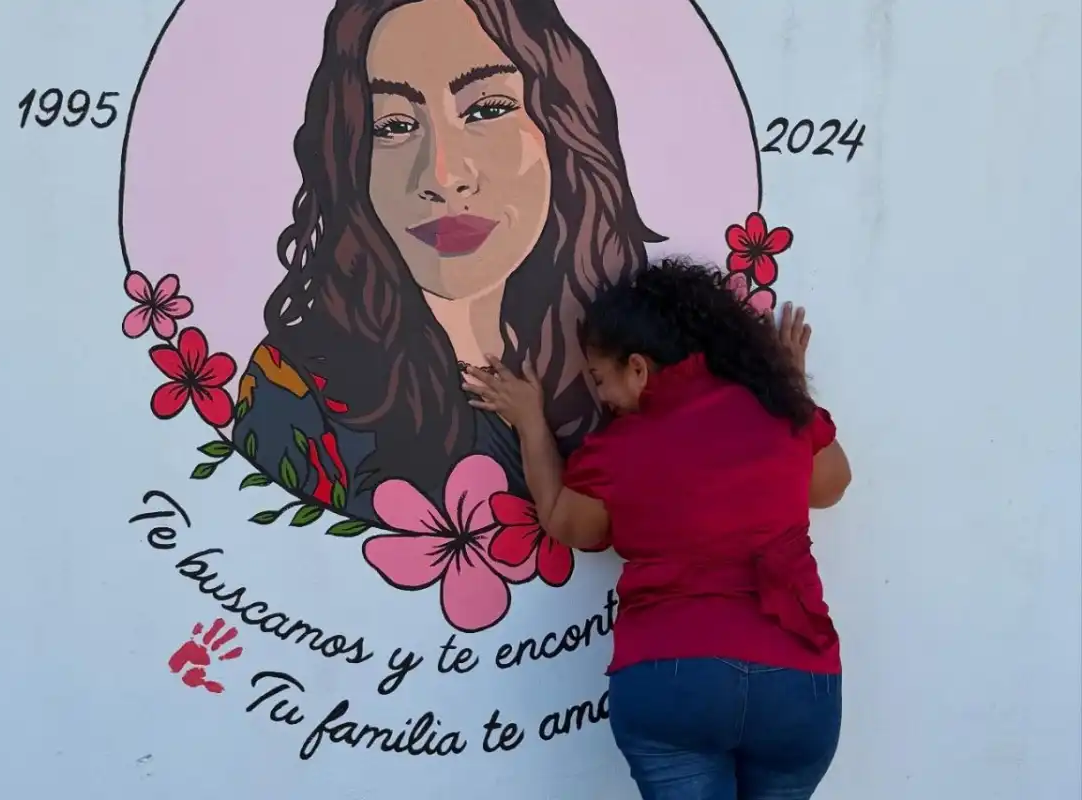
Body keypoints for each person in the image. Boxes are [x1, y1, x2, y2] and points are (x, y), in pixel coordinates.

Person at [229, 0, 670, 522]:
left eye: (485, 110)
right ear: (349, 159)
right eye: (393, 125)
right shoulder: (294, 392)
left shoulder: (630, 369)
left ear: (562, 127)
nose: (442, 176)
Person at [462, 256, 851, 800]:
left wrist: (530, 420)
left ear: (639, 369)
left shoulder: (619, 450)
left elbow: (564, 522)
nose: (602, 398)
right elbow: (830, 485)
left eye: (601, 379)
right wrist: (788, 387)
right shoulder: (778, 409)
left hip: (675, 680)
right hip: (797, 682)